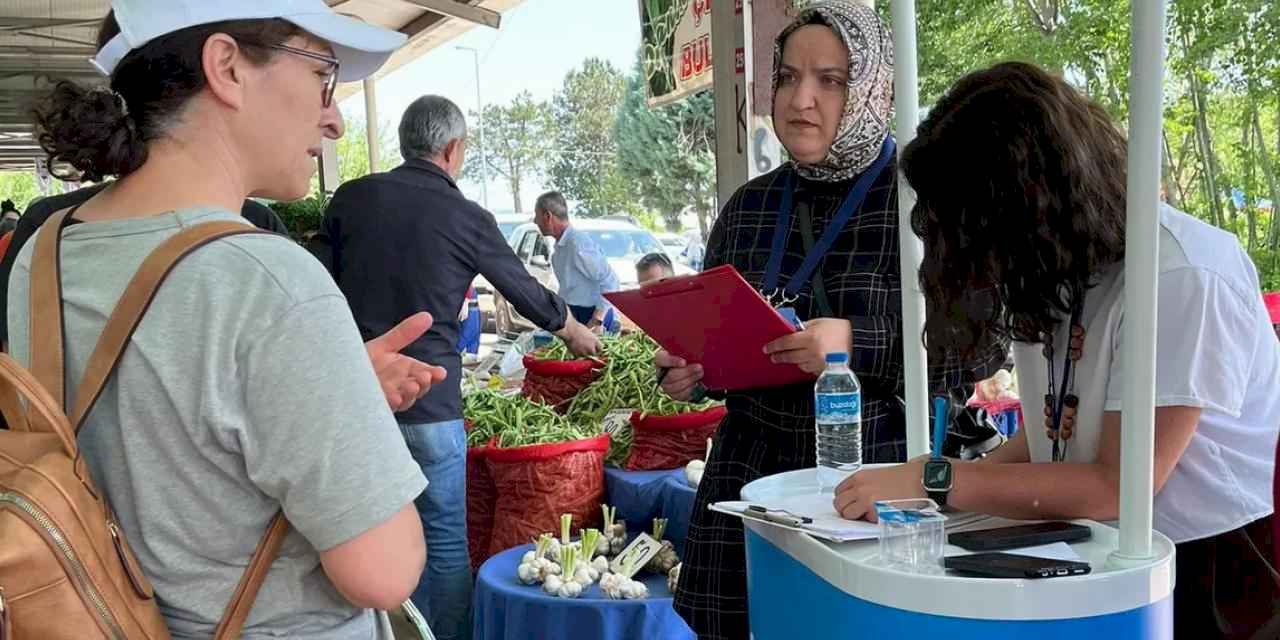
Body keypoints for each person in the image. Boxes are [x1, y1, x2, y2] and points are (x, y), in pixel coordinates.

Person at [12, 3, 433, 637]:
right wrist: (354, 412)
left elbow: (157, 438)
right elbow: (383, 572)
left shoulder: (42, 254)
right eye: (323, 74)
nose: (336, 117)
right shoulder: (266, 279)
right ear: (227, 67)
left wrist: (329, 390)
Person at [835, 62, 1280, 638]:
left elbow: (1119, 484)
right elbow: (1055, 433)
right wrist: (930, 489)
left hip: (1213, 565)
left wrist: (937, 480)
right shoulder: (1058, 265)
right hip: (1102, 544)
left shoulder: (1179, 273)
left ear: (1033, 203)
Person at [655, 4, 1007, 637]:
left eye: (831, 80)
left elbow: (982, 349)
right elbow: (721, 336)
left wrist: (856, 342)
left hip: (880, 479)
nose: (802, 99)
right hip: (752, 474)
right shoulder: (749, 208)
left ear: (871, 85)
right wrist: (691, 368)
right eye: (787, 78)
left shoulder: (925, 201)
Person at [319, 94, 600, 639]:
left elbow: (321, 286)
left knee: (359, 533)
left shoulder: (350, 199)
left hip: (356, 400)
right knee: (443, 538)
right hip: (431, 403)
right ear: (452, 149)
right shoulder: (465, 215)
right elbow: (520, 288)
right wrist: (575, 331)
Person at [533, 191, 622, 333]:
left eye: (536, 215)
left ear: (548, 216)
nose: (535, 221)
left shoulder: (578, 244)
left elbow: (610, 281)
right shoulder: (560, 248)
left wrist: (597, 320)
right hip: (575, 314)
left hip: (594, 317)